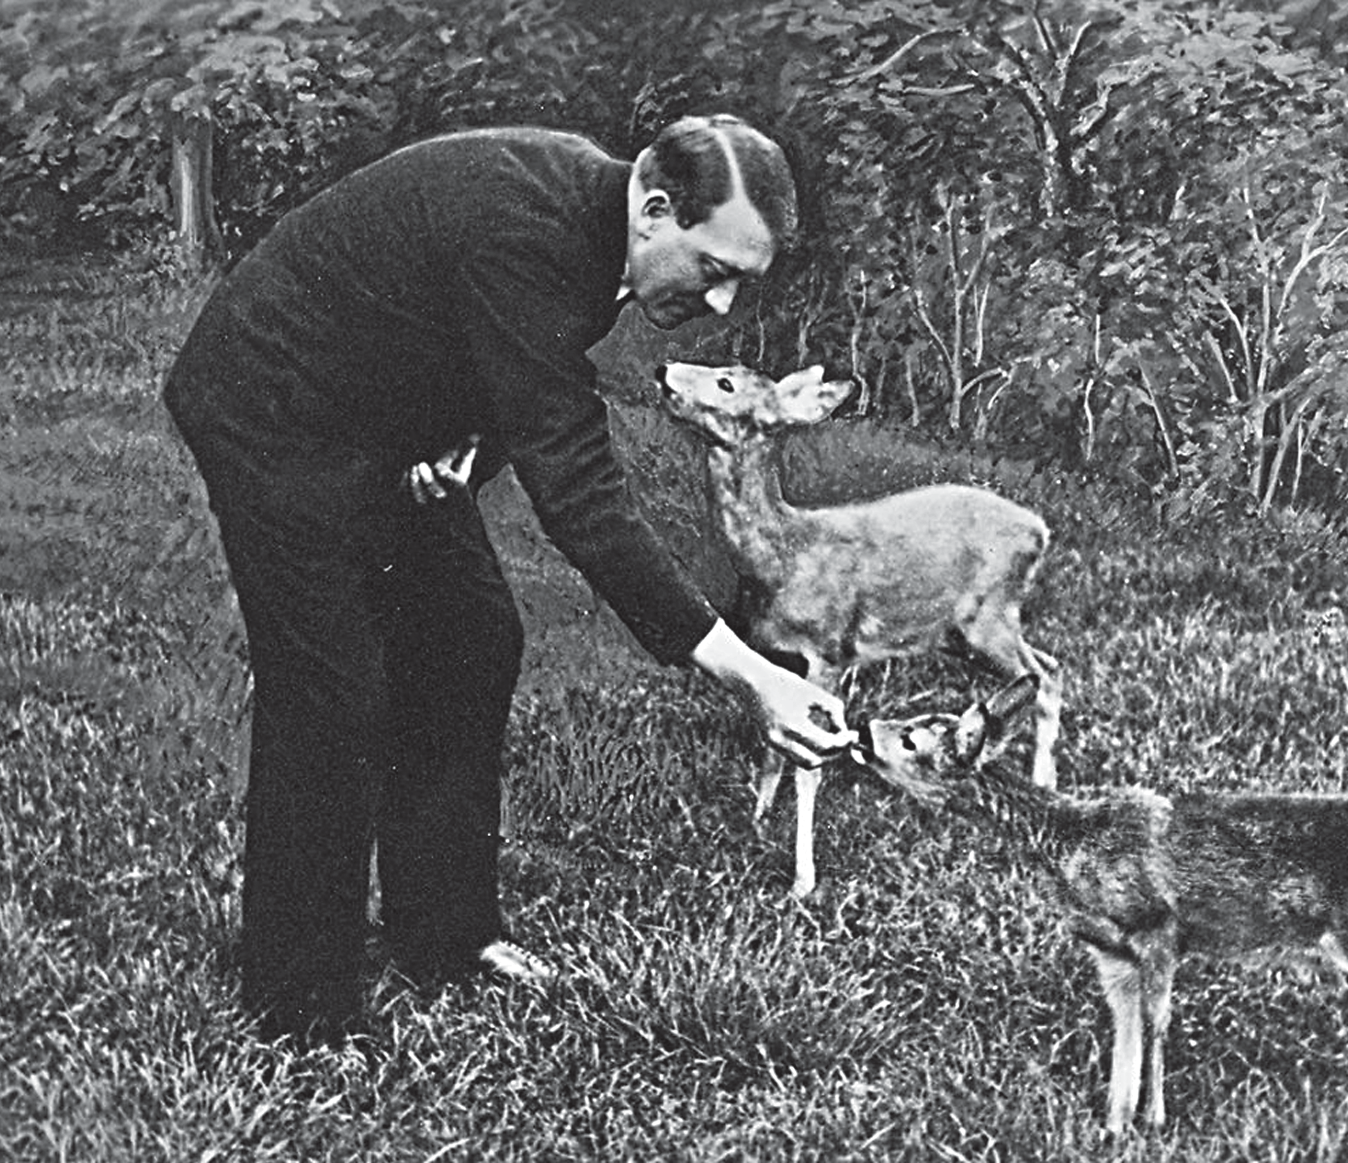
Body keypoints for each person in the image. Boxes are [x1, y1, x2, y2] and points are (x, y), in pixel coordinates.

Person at [162, 114, 855, 1044]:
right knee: (332, 686)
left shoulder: (596, 228)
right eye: (716, 270)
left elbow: (501, 359)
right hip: (270, 405)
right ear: (655, 209)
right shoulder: (531, 229)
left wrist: (466, 439)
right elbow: (581, 496)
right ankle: (299, 999)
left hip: (374, 416)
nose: (724, 306)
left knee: (472, 638)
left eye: (742, 283)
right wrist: (752, 673)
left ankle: (445, 936)